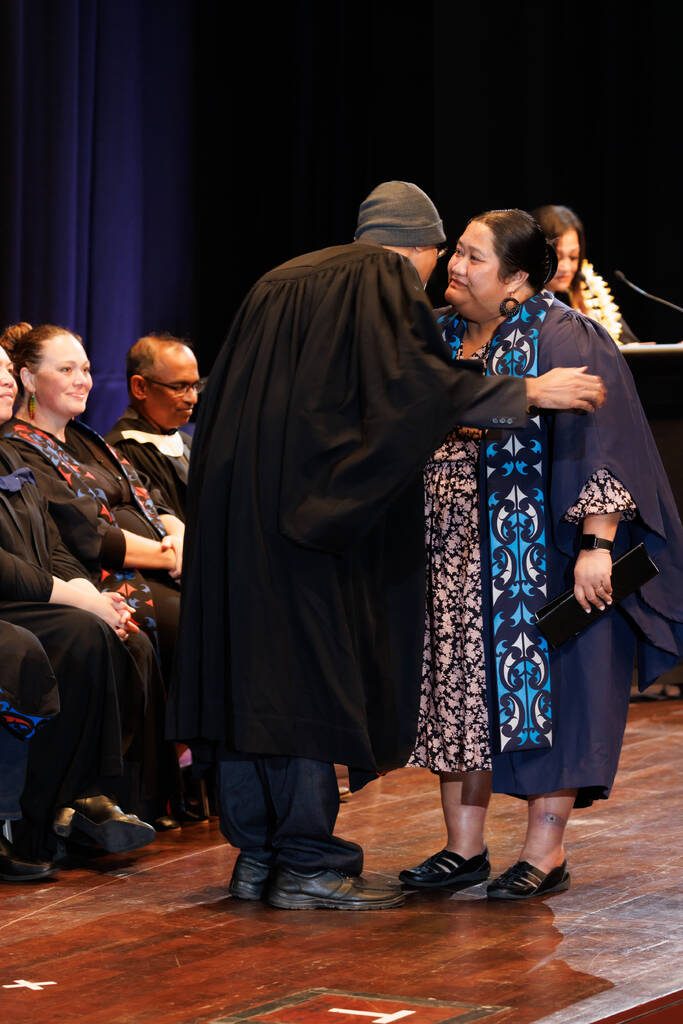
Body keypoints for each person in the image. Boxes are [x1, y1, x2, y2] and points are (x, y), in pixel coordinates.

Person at [167, 181, 605, 911]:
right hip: (301, 524)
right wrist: (526, 393)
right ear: (419, 250)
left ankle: (259, 859)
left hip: (233, 516)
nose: (445, 273)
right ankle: (309, 863)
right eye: (446, 255)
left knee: (248, 687)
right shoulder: (378, 278)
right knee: (302, 689)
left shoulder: (280, 280)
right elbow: (408, 389)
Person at [400, 209, 682, 900]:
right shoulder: (433, 335)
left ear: (517, 277)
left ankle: (543, 851)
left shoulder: (562, 334)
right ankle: (461, 848)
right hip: (449, 562)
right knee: (458, 700)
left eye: (471, 257)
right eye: (455, 254)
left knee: (555, 696)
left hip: (540, 561)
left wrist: (596, 546)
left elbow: (606, 444)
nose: (453, 268)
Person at [0, 344, 162, 870]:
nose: (5, 380)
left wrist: (92, 596)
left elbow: (53, 545)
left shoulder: (5, 454)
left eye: (4, 369)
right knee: (78, 633)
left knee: (122, 632)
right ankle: (33, 819)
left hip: (30, 594)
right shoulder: (21, 447)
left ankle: (83, 802)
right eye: (65, 369)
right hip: (11, 599)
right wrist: (78, 599)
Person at [106, 333, 201, 521]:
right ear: (140, 387)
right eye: (179, 387)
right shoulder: (121, 453)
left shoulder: (189, 443)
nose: (193, 398)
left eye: (195, 385)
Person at [531, 204, 639, 344]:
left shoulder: (589, 289)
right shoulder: (517, 301)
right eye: (557, 258)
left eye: (573, 257)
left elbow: (627, 344)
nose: (566, 267)